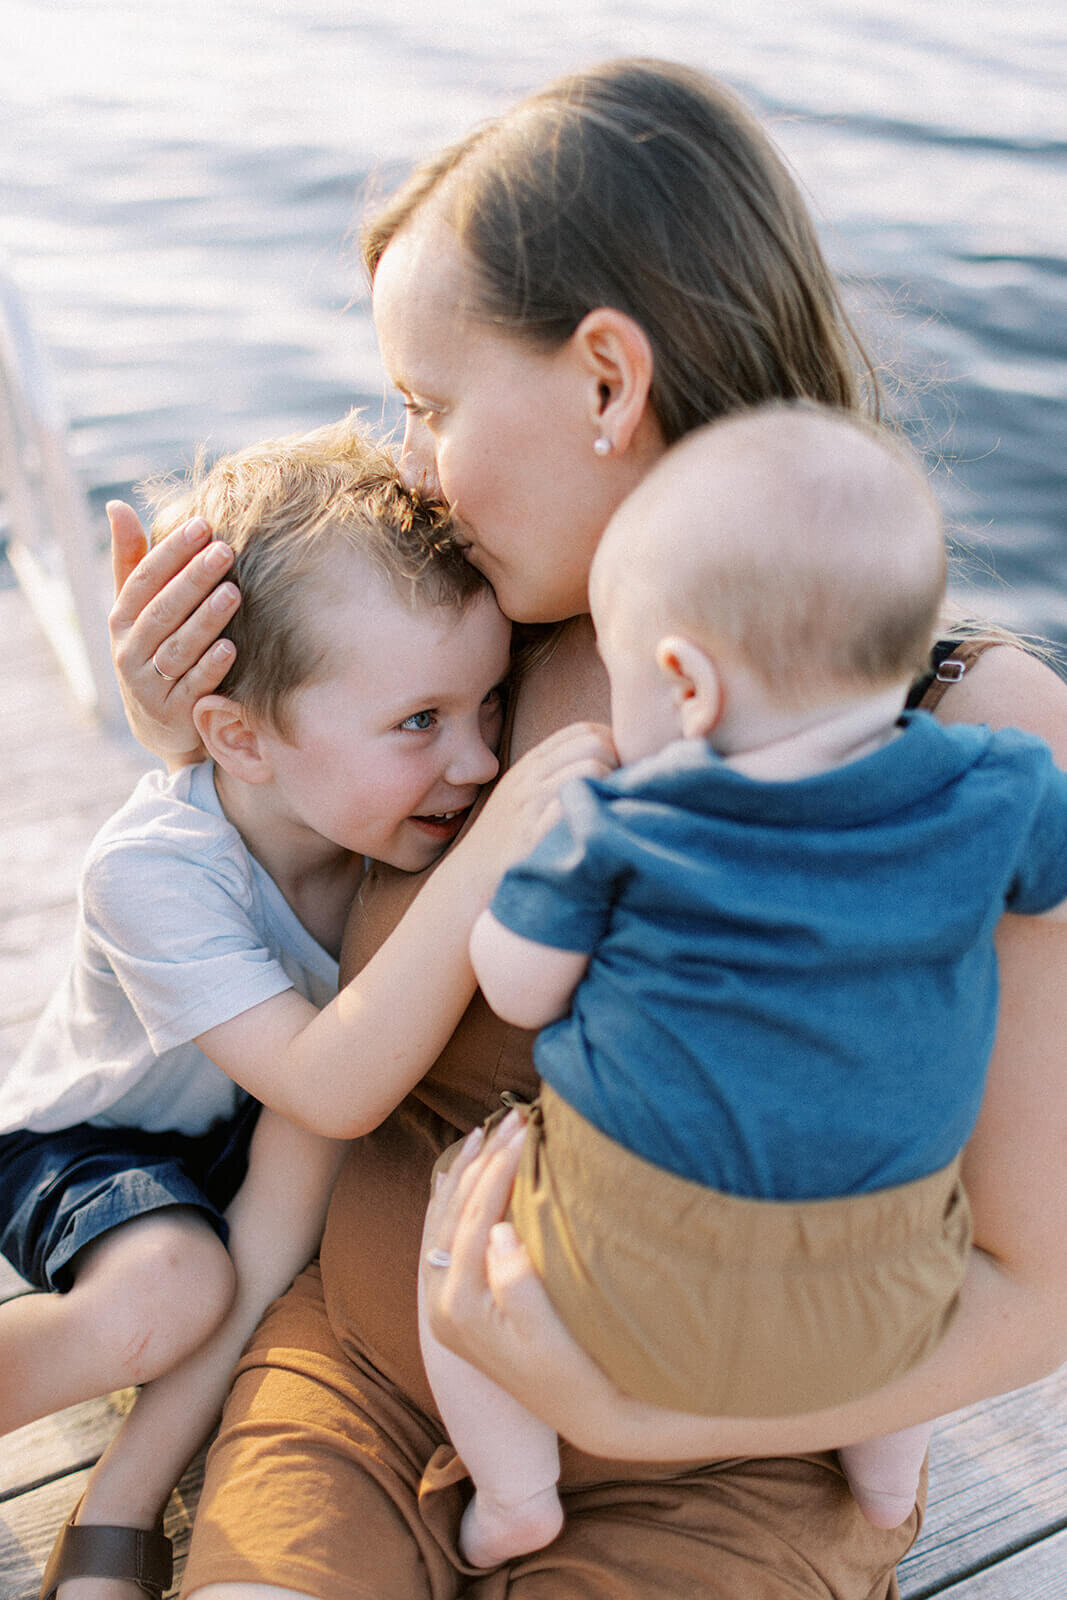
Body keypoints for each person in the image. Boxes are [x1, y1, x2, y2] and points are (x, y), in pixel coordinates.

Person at [90, 58, 1067, 1600]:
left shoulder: (963, 737)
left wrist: (619, 1408)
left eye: (430, 404)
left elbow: (1033, 1291)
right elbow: (290, 953)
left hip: (722, 1465)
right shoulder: (465, 642)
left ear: (605, 380)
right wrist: (197, 734)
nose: (408, 462)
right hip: (352, 1379)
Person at [420, 402, 1067, 1567]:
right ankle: (884, 1468)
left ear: (684, 683)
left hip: (620, 1295)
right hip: (888, 1309)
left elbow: (514, 989)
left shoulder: (620, 820)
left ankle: (515, 1493)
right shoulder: (994, 787)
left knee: (453, 1241)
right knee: (927, 1212)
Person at [17, 418, 610, 1600]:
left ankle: (120, 1502)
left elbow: (315, 1121)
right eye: (419, 723)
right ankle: (117, 1505)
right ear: (237, 735)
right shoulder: (157, 870)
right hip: (104, 1141)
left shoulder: (377, 826)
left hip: (281, 1111)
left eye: (491, 705)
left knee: (270, 1264)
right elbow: (332, 1080)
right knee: (172, 1289)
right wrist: (498, 850)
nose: (480, 760)